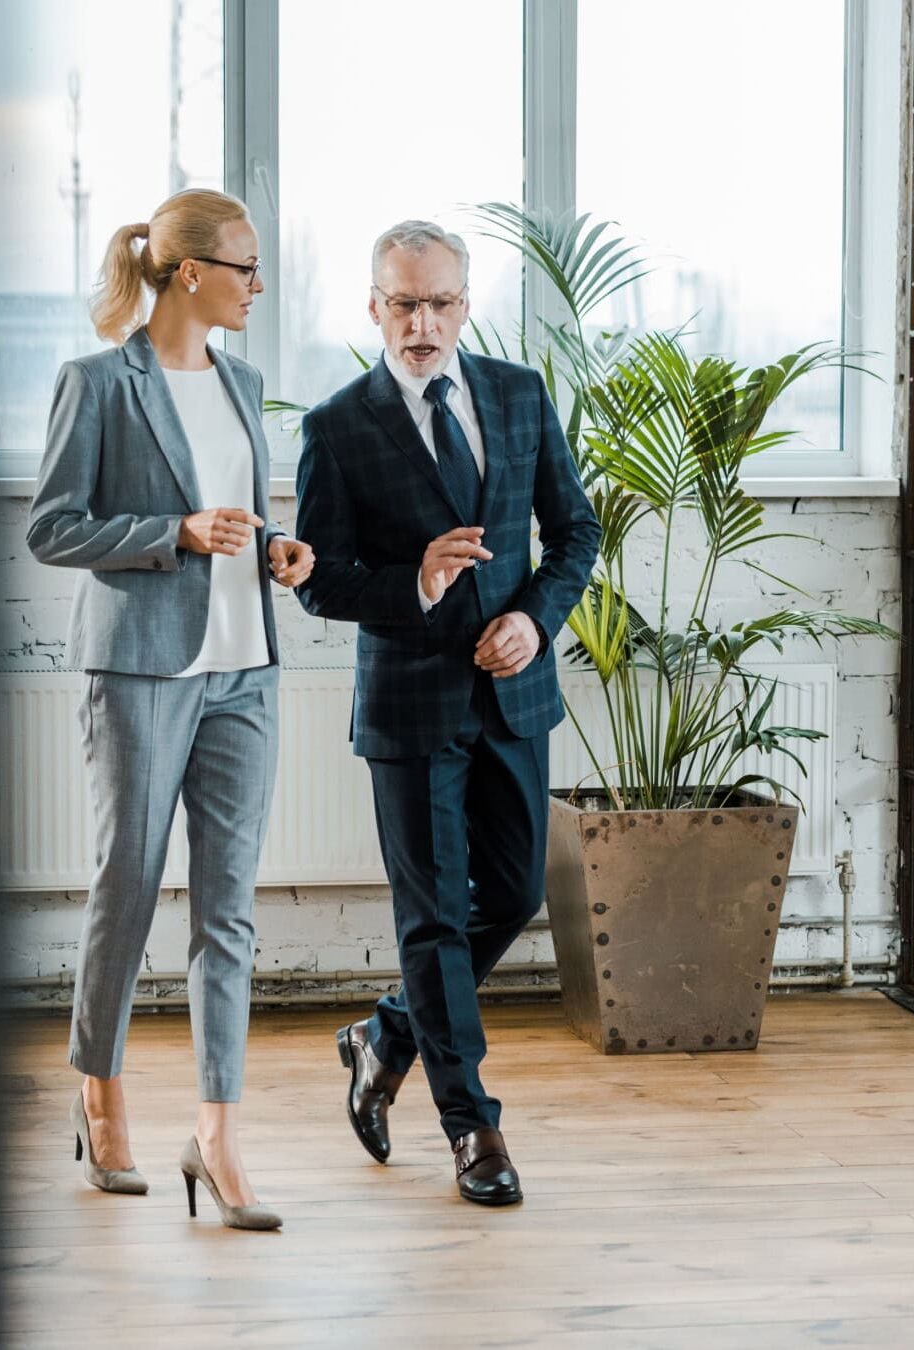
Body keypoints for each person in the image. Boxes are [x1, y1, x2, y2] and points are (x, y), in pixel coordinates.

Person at [294, 220, 600, 1205]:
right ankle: (473, 1129)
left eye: (438, 304)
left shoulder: (519, 394)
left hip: (513, 697)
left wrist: (535, 622)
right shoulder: (337, 426)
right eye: (402, 304)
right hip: (410, 706)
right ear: (373, 306)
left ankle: (386, 1034)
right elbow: (320, 580)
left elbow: (575, 533)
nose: (421, 324)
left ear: (466, 305)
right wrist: (415, 581)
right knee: (430, 921)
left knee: (511, 894)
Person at [27, 188, 314, 1231]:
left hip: (244, 670)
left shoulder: (243, 382)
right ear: (191, 272)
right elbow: (53, 529)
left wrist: (277, 551)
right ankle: (99, 1095)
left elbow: (242, 515)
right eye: (246, 266)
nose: (258, 285)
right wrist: (173, 533)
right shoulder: (98, 383)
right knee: (129, 887)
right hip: (143, 671)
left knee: (228, 910)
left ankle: (218, 1138)